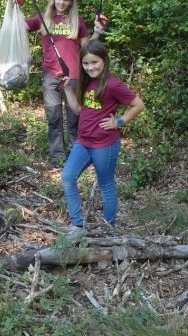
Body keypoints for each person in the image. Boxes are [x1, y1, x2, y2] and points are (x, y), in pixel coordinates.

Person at [61, 40, 144, 239]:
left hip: (104, 145)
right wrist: (67, 90)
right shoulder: (86, 82)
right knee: (67, 177)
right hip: (84, 141)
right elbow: (79, 110)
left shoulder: (113, 84)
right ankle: (77, 226)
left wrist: (120, 121)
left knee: (105, 184)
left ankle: (109, 229)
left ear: (104, 61)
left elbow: (138, 104)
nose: (90, 67)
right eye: (86, 63)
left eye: (94, 62)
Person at [11, 0, 93, 168]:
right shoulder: (43, 18)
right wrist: (16, 6)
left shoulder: (77, 20)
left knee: (74, 118)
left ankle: (76, 155)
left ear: (71, 2)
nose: (62, 2)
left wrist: (98, 31)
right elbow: (20, 26)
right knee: (53, 117)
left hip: (73, 75)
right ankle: (57, 157)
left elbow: (87, 47)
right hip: (51, 75)